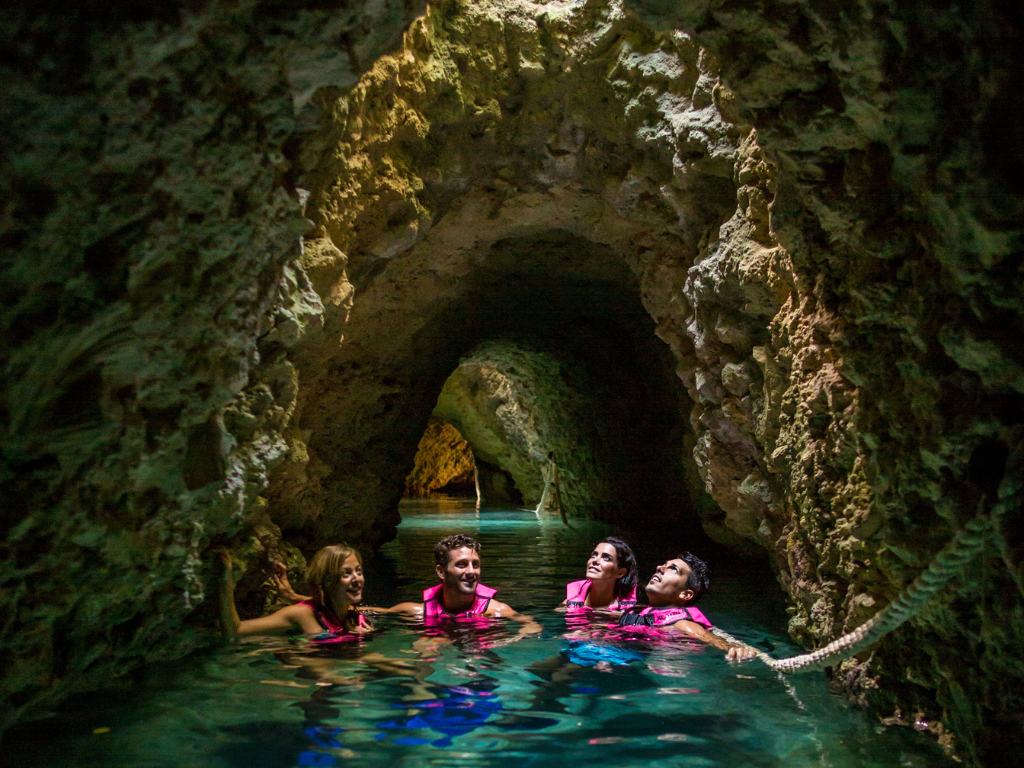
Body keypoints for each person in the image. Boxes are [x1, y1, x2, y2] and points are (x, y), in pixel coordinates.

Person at [387, 534, 541, 637]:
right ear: (441, 572)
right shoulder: (420, 611)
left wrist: (512, 639)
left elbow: (532, 625)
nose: (471, 572)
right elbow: (375, 612)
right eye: (462, 565)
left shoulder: (496, 610)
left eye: (475, 565)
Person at [618, 552, 756, 661]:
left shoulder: (681, 623)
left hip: (667, 667)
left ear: (685, 595)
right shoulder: (640, 611)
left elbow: (706, 636)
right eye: (664, 565)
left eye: (674, 570)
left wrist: (732, 647)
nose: (660, 567)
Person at [220, 544, 372, 641]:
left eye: (358, 571)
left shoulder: (352, 615)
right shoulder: (300, 614)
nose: (357, 579)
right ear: (327, 581)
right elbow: (236, 631)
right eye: (346, 574)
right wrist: (225, 582)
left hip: (342, 668)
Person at [562, 536, 638, 611]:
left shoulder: (630, 611)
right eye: (594, 555)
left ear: (620, 573)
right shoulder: (569, 604)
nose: (595, 560)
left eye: (606, 558)